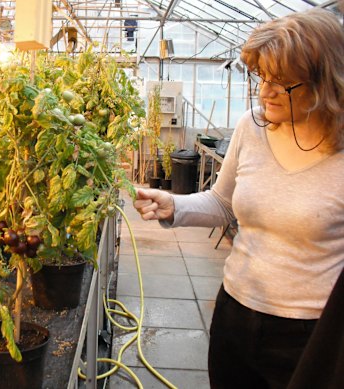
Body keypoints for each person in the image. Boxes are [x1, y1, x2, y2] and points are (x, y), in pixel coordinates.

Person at [134, 8, 344, 389]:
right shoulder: (252, 126)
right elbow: (223, 203)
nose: (265, 92)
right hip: (236, 313)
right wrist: (174, 205)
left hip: (311, 335)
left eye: (283, 83)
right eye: (262, 77)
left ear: (324, 82)